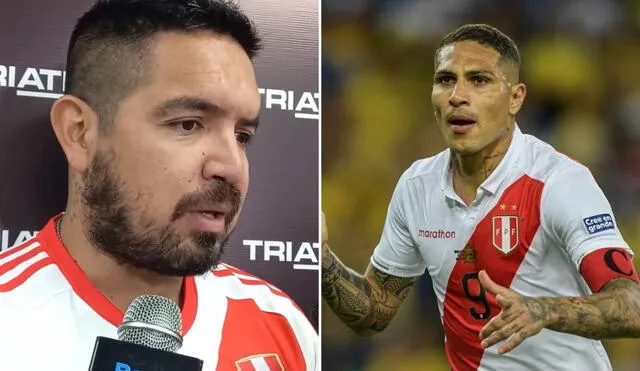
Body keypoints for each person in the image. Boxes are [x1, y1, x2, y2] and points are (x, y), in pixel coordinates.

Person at [0, 0, 318, 369]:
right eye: (188, 124)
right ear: (80, 134)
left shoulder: (284, 327)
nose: (233, 166)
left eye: (242, 135)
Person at [322, 23, 640, 371]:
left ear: (515, 98)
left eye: (479, 80)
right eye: (445, 80)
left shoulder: (558, 182)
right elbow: (374, 314)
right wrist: (322, 260)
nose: (457, 94)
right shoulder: (417, 186)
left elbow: (631, 306)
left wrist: (544, 310)